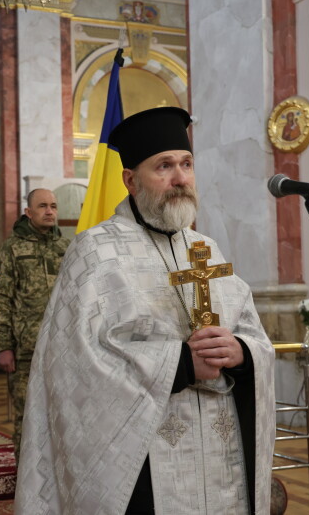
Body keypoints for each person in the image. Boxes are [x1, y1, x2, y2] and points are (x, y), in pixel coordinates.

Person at [14, 107, 275, 514]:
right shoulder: (95, 251)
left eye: (186, 164)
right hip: (142, 458)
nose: (180, 178)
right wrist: (182, 364)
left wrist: (240, 352)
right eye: (164, 166)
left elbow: (253, 334)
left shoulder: (205, 248)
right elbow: (74, 365)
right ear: (130, 181)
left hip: (219, 449)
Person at [0, 188, 70, 463]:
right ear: (28, 212)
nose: (50, 211)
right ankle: (26, 475)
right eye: (43, 206)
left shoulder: (66, 247)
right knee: (27, 415)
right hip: (26, 351)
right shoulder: (11, 249)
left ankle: (59, 474)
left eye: (53, 206)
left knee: (64, 413)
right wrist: (4, 347)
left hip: (63, 348)